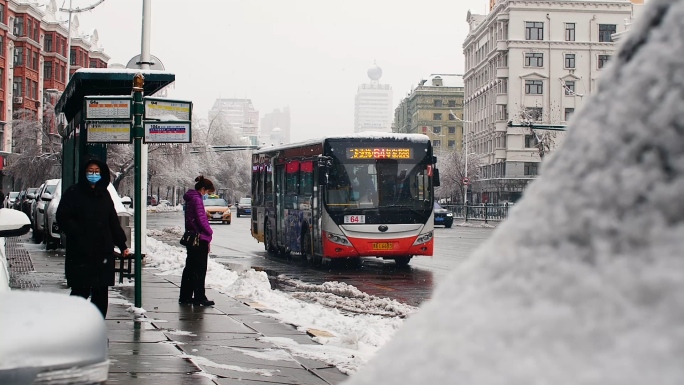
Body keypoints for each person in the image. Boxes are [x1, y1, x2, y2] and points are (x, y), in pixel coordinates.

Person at [56, 158, 130, 318]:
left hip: (103, 252)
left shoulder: (105, 194)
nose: (94, 174)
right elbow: (63, 217)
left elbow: (113, 221)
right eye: (90, 171)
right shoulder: (73, 193)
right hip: (81, 252)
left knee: (101, 293)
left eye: (97, 171)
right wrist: (79, 232)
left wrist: (122, 244)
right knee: (80, 291)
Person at [179, 175, 215, 306]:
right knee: (200, 269)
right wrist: (210, 232)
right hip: (199, 239)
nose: (207, 194)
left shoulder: (190, 199)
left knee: (190, 268)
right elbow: (201, 220)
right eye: (208, 192)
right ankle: (199, 296)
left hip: (192, 237)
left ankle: (185, 296)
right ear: (203, 189)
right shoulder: (197, 200)